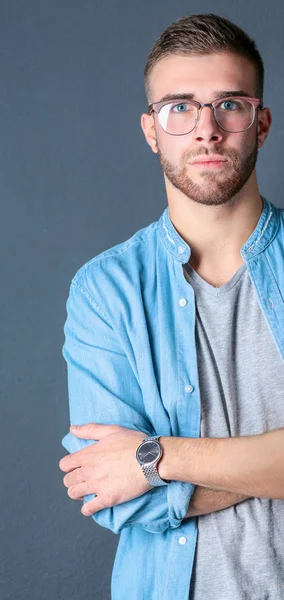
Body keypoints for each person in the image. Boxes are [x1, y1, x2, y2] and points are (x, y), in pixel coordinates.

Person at [58, 13, 284, 600]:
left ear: (260, 123)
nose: (206, 130)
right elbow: (110, 499)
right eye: (179, 107)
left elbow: (135, 476)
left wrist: (157, 459)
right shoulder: (104, 292)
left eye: (229, 104)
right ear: (151, 130)